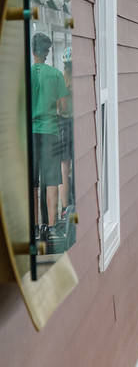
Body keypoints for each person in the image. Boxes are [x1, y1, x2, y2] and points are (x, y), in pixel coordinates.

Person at [30, 32, 69, 241]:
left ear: (32, 50)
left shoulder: (25, 74)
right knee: (51, 181)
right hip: (51, 132)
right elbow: (64, 107)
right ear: (47, 52)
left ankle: (35, 227)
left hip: (31, 134)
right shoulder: (55, 75)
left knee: (33, 183)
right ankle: (51, 226)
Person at [58, 46, 74, 217]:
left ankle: (64, 208)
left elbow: (59, 107)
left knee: (64, 168)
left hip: (63, 124)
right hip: (75, 123)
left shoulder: (61, 81)